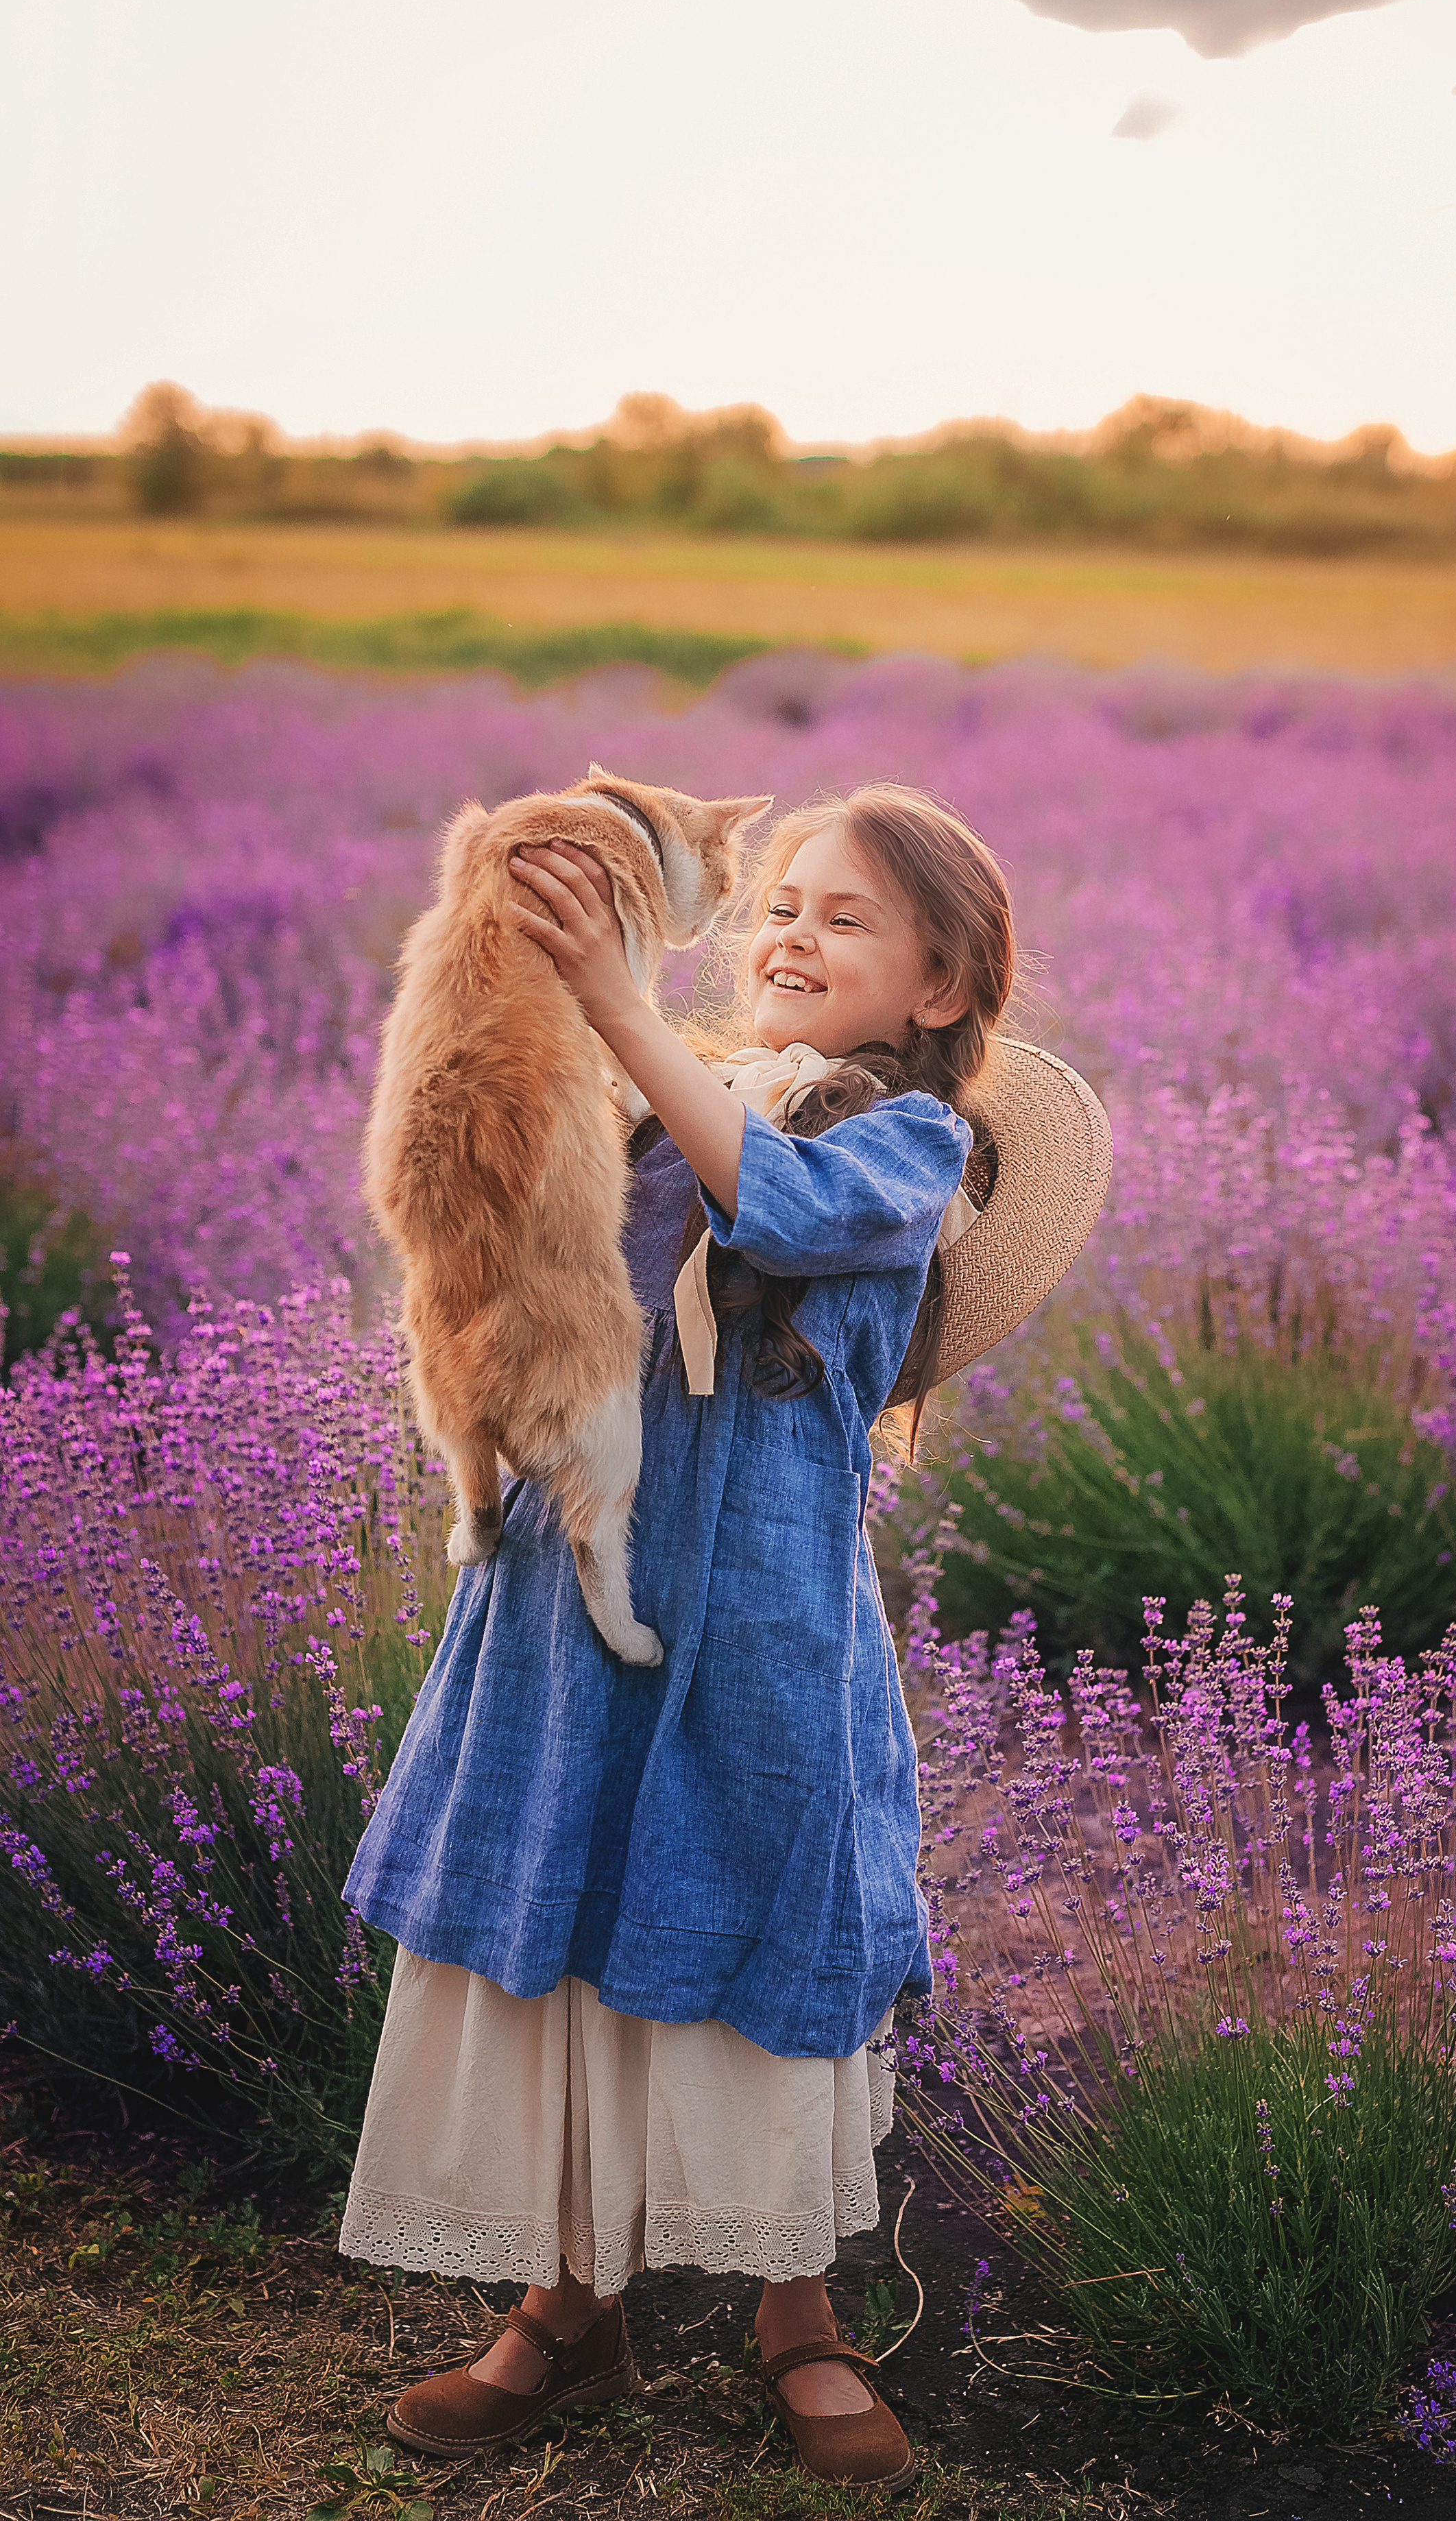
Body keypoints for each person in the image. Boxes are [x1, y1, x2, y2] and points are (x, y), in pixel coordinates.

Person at [338, 782, 1108, 2492]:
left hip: (758, 1614)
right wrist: (513, 979)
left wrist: (623, 1008)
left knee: (761, 1921)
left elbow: (785, 1211)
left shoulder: (908, 1147)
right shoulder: (630, 1103)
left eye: (843, 918)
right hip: (574, 1588)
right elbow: (507, 1248)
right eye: (771, 903)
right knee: (575, 1903)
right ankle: (566, 2300)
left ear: (937, 987)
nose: (786, 934)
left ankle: (800, 2314)